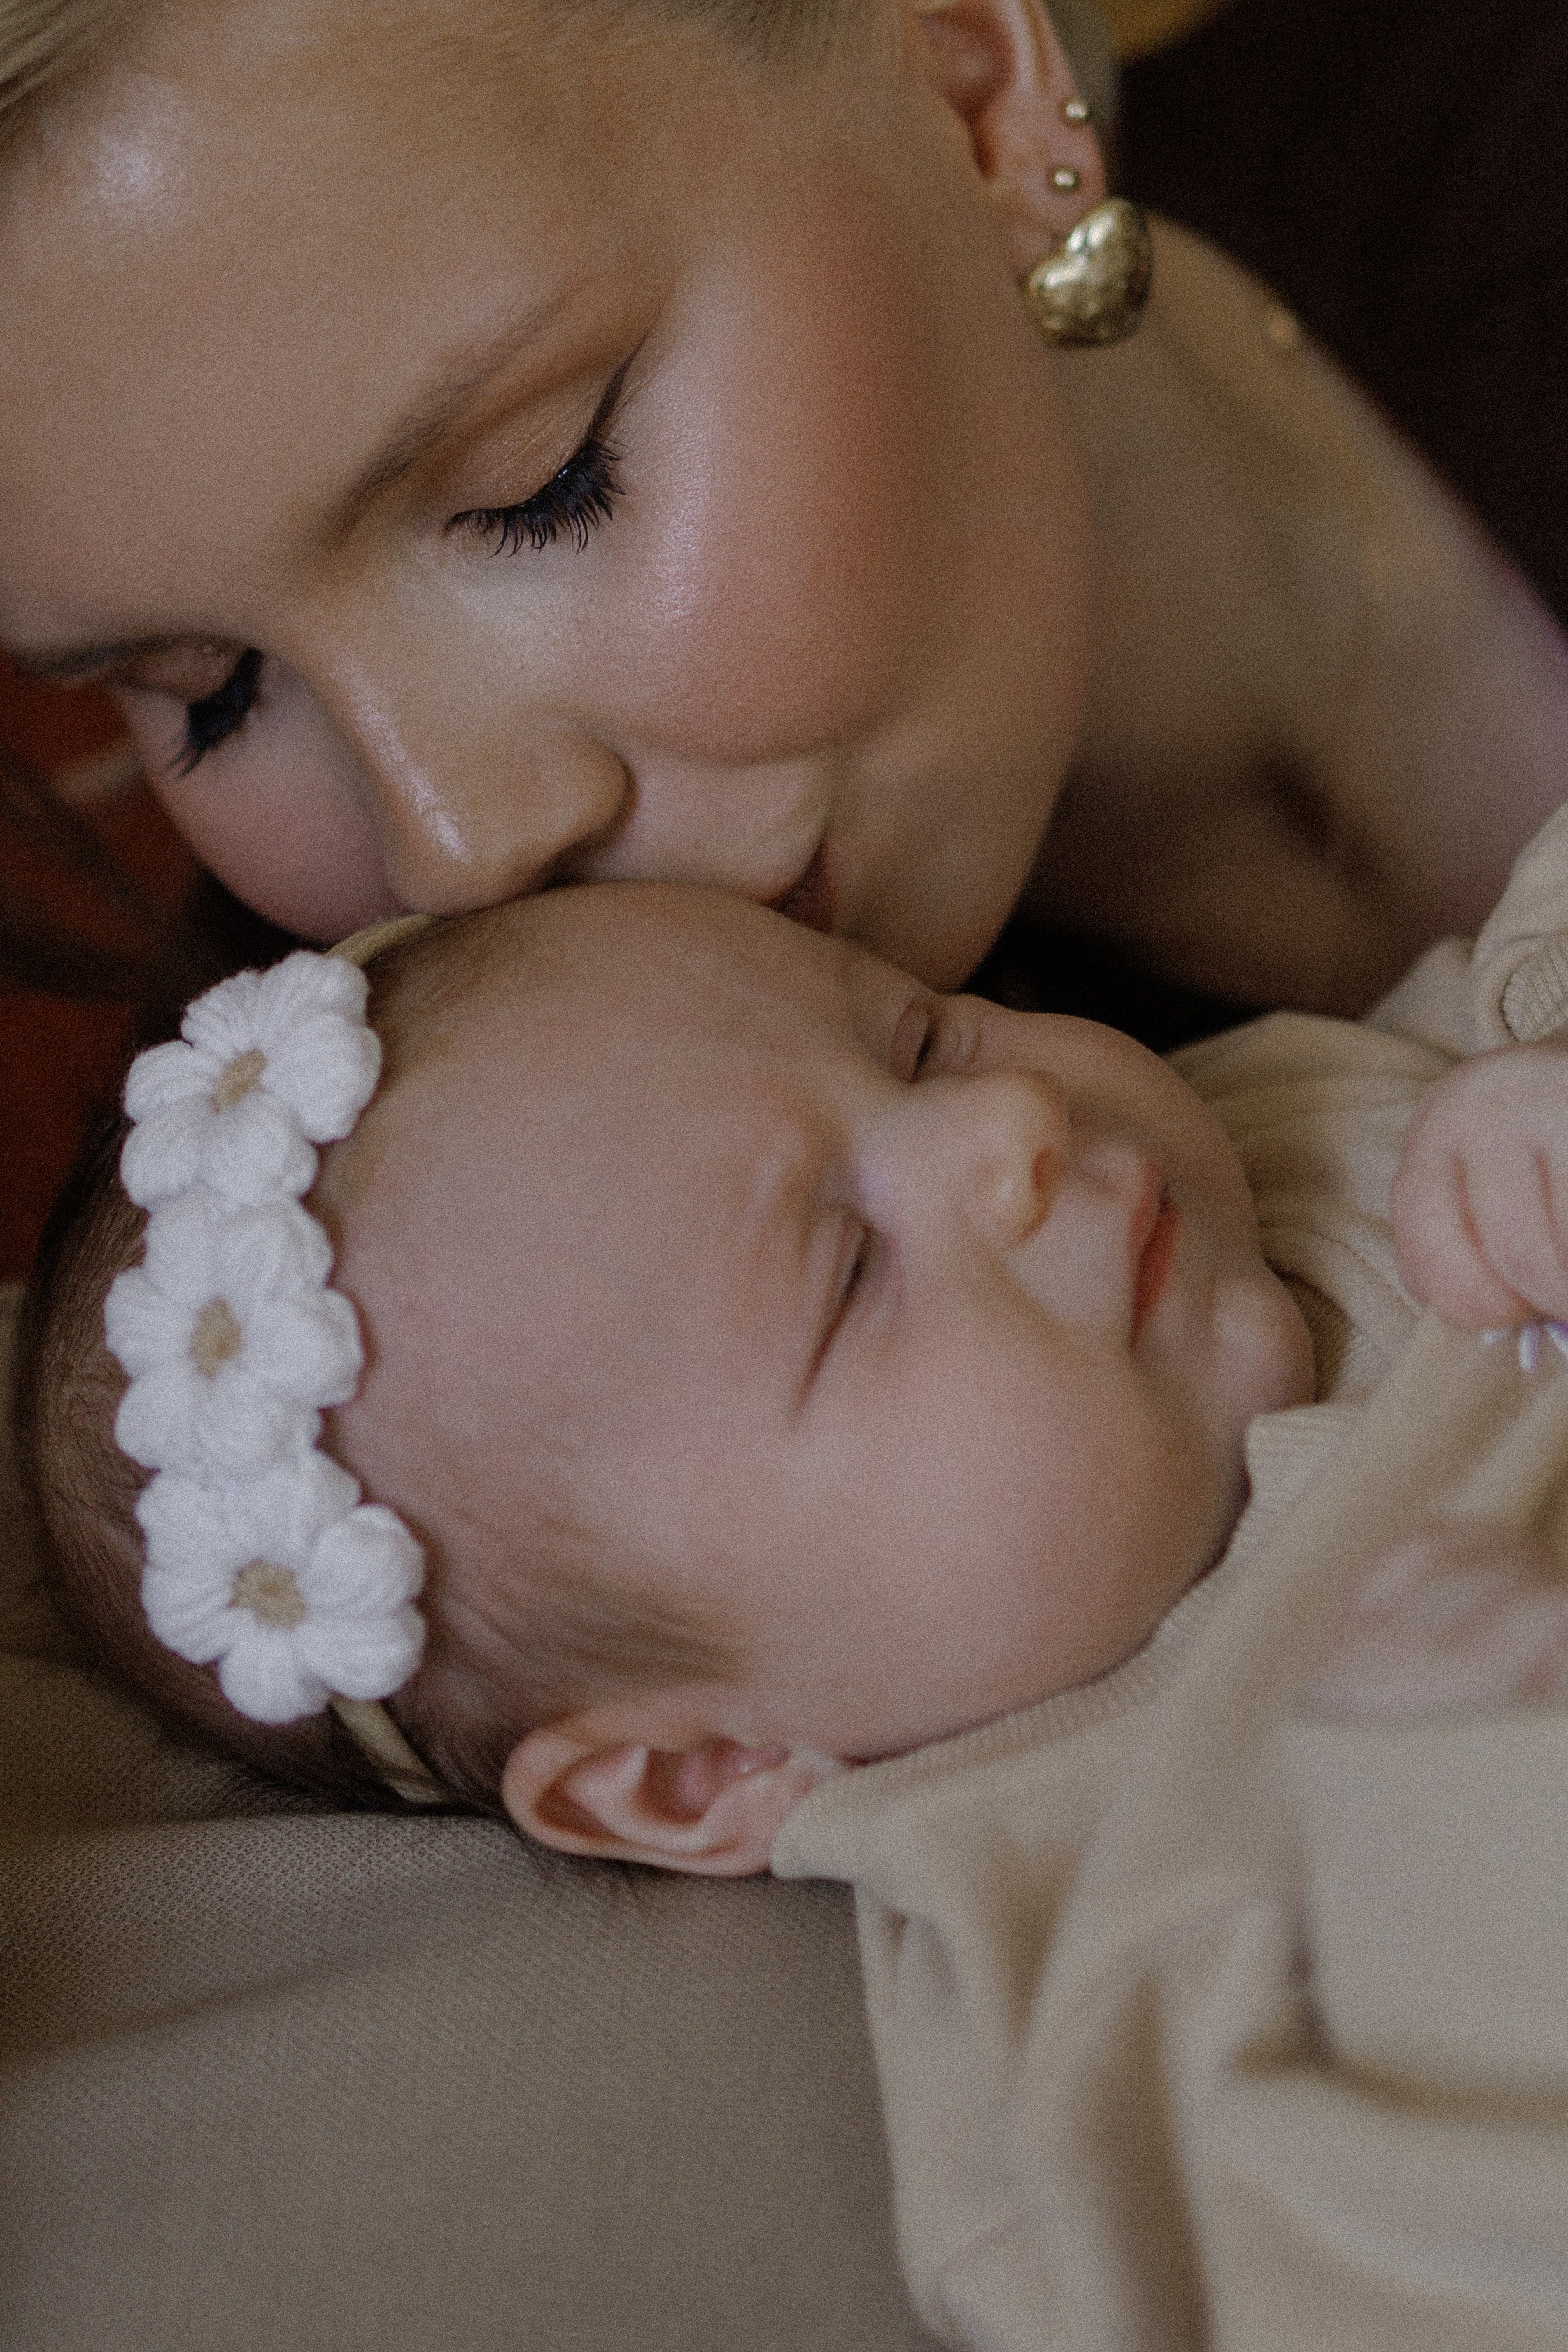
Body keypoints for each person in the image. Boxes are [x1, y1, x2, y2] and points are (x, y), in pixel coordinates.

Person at [17, 798, 1568, 2341]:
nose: (1006, 1125)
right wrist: (1440, 1849)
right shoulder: (1082, 1963)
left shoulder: (1284, 1125)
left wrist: (1534, 1054)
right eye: (849, 1275)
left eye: (918, 1041)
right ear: (702, 1771)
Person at [1, 0, 1567, 1030]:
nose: (455, 849)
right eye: (207, 691)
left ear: (972, 91)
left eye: (539, 486)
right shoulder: (315, 1269)